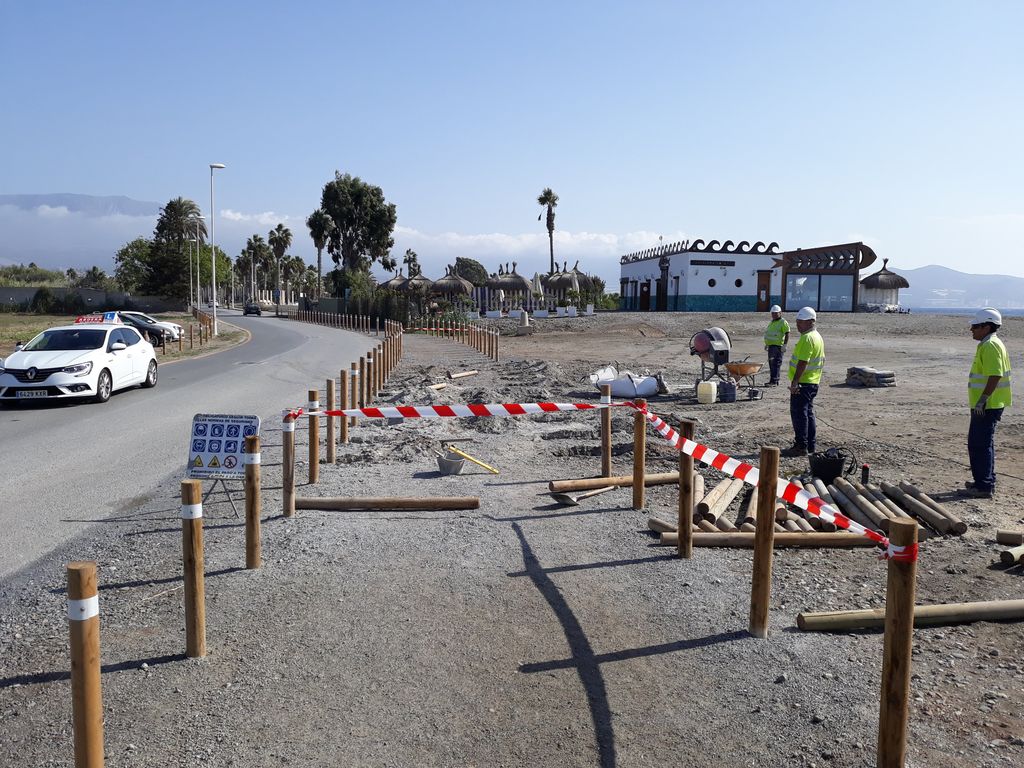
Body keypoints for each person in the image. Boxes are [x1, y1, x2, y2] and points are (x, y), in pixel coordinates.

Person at [961, 308, 1012, 499]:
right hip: (989, 404)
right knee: (984, 443)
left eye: (975, 326)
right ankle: (985, 481)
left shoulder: (990, 346)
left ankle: (983, 486)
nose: (971, 329)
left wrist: (982, 400)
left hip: (987, 405)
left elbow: (995, 374)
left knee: (978, 444)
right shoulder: (989, 344)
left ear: (986, 326)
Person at [782, 306, 824, 457]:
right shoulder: (817, 336)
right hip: (812, 383)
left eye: (801, 322)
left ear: (811, 322)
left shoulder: (808, 338)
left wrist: (795, 382)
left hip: (804, 383)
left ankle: (801, 446)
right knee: (808, 414)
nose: (798, 325)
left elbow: (802, 362)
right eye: (797, 322)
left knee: (799, 415)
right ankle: (810, 445)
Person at [763, 305, 790, 385]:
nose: (774, 315)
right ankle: (773, 380)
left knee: (776, 364)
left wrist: (785, 345)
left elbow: (787, 333)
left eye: (776, 313)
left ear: (780, 313)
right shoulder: (772, 322)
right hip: (771, 347)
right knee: (771, 364)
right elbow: (769, 334)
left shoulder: (783, 322)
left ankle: (774, 381)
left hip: (778, 347)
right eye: (773, 313)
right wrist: (767, 344)